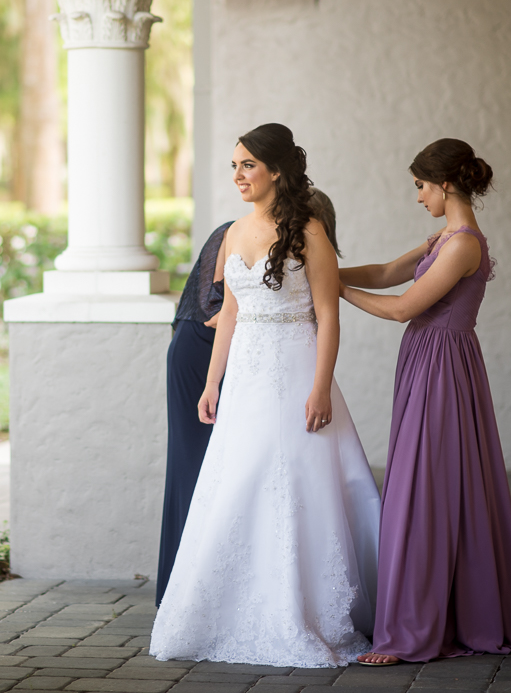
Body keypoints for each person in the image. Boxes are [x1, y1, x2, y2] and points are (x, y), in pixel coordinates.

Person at [150, 124, 380, 667]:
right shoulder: (233, 232)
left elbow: (328, 314)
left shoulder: (310, 232)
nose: (237, 176)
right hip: (247, 381)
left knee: (302, 485)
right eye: (233, 166)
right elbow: (229, 311)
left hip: (298, 372)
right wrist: (211, 383)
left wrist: (321, 386)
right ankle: (229, 609)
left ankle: (312, 610)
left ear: (276, 170)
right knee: (236, 484)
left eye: (247, 165)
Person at [338, 138, 511, 665]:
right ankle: (432, 612)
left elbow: (401, 307)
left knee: (423, 489)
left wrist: (332, 291)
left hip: (442, 371)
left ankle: (413, 629)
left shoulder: (462, 245)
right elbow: (389, 273)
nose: (417, 197)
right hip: (429, 363)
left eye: (420, 186)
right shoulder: (446, 237)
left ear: (447, 183)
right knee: (430, 484)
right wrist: (329, 272)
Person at [155, 189, 339, 608]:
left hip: (246, 352)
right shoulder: (234, 232)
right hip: (201, 346)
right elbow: (217, 311)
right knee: (197, 471)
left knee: (243, 476)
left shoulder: (303, 235)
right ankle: (179, 587)